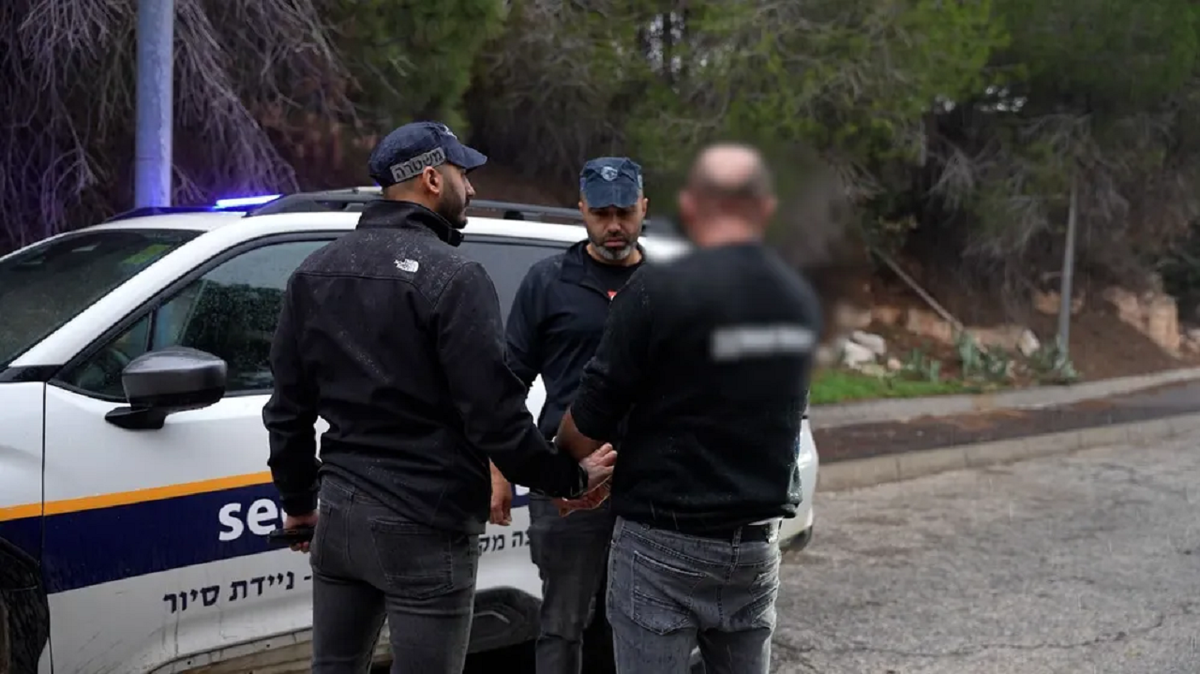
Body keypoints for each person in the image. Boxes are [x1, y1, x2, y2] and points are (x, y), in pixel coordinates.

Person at [262, 120, 616, 674]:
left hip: (341, 517)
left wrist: (299, 503)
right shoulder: (454, 277)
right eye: (462, 174)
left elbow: (288, 408)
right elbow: (495, 417)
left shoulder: (314, 271)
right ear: (431, 178)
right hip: (425, 523)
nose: (470, 188)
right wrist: (568, 480)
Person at [554, 143, 823, 674]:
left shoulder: (656, 290)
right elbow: (788, 414)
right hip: (754, 546)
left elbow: (589, 417)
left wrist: (567, 469)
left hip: (662, 544)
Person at [489, 157, 648, 674]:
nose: (614, 225)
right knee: (563, 622)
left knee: (641, 621)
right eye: (601, 213)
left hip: (652, 482)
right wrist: (498, 469)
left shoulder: (664, 285)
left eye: (624, 212)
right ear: (582, 210)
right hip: (569, 478)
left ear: (644, 208)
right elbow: (508, 383)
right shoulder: (547, 282)